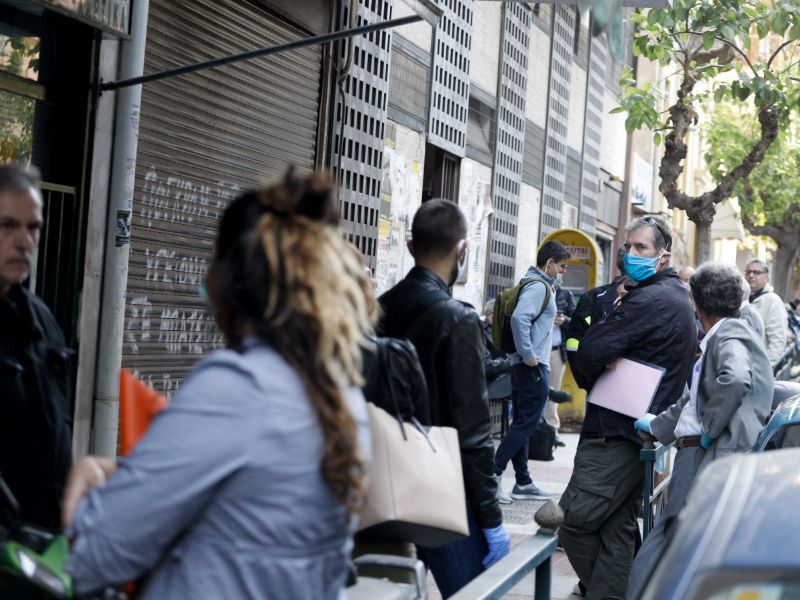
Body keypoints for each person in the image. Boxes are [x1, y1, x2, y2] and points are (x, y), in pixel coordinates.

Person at [63, 171, 373, 599]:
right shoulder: (342, 394)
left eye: (213, 257)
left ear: (230, 277)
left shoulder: (238, 387)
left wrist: (92, 488)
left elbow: (98, 553)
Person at [559, 217, 696, 600]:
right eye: (628, 246)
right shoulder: (673, 296)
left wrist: (608, 330)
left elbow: (588, 353)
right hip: (635, 431)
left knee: (574, 521)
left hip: (615, 434)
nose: (630, 254)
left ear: (663, 257)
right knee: (616, 528)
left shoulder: (648, 299)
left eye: (641, 248)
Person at [378, 199, 509, 597]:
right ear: (462, 250)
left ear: (410, 246)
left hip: (385, 482)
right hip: (445, 488)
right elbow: (473, 429)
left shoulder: (377, 308)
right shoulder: (459, 319)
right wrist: (491, 516)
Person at [627, 263, 773, 599]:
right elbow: (696, 399)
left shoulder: (728, 335)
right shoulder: (727, 333)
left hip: (703, 454)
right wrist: (659, 425)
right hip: (703, 450)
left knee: (671, 535)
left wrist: (709, 428)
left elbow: (734, 379)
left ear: (697, 302)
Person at [0, 165, 72, 530]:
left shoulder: (42, 320)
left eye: (33, 228)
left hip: (42, 551)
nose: (24, 241)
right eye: (7, 225)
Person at [492, 241, 570, 503]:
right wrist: (529, 355)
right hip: (532, 367)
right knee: (527, 424)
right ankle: (492, 476)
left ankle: (523, 481)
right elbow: (519, 318)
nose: (563, 271)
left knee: (523, 423)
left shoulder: (534, 283)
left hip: (525, 366)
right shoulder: (538, 286)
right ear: (549, 263)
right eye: (561, 266)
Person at [546, 281, 576, 446]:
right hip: (538, 351)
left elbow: (578, 324)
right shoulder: (538, 290)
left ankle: (552, 431)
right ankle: (536, 428)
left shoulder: (565, 295)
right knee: (536, 392)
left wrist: (564, 321)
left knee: (554, 392)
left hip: (557, 351)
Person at [744, 259, 788, 366]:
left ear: (766, 278)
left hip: (757, 368)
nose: (751, 275)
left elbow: (777, 341)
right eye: (748, 272)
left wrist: (764, 368)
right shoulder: (741, 298)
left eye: (757, 272)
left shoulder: (772, 301)